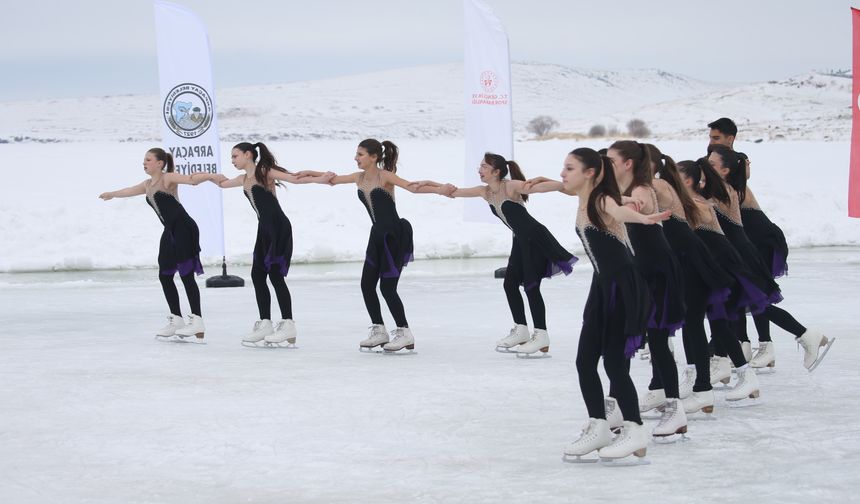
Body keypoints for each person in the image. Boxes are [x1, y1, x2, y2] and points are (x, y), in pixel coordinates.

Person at [525, 148, 668, 462]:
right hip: (602, 285)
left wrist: (642, 217)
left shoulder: (601, 199)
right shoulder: (583, 193)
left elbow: (619, 213)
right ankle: (600, 426)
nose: (564, 173)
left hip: (622, 285)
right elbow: (561, 187)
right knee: (585, 361)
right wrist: (544, 182)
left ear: (589, 172)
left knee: (615, 363)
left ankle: (635, 430)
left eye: (569, 168)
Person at [417, 153, 577, 357]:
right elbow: (453, 192)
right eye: (480, 166)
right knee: (510, 284)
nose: (480, 169)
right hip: (520, 241)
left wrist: (554, 181)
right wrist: (432, 184)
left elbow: (540, 188)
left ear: (496, 171)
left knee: (531, 286)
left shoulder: (510, 186)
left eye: (484, 166)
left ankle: (541, 335)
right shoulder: (484, 192)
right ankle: (521, 330)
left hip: (535, 239)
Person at [707, 120, 834, 371]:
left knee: (754, 297)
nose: (712, 141)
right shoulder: (722, 169)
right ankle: (736, 347)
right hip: (743, 242)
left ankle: (764, 345)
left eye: (717, 138)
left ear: (730, 139)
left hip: (759, 240)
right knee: (742, 298)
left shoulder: (732, 170)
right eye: (710, 137)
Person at [296, 139, 437, 353]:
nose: (356, 158)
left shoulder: (385, 176)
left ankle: (405, 332)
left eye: (360, 154)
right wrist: (311, 173)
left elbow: (413, 188)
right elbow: (332, 180)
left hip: (394, 236)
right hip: (377, 236)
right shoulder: (358, 177)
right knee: (367, 285)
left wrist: (440, 188)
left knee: (388, 288)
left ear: (374, 157)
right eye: (357, 154)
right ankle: (379, 331)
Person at [195, 142, 334, 346]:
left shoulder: (264, 171)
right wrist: (208, 176)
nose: (232, 160)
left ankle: (288, 324)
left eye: (235, 156)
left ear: (248, 154)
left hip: (278, 227)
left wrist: (321, 179)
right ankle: (266, 323)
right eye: (231, 157)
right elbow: (223, 184)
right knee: (257, 275)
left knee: (275, 276)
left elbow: (294, 179)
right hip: (264, 229)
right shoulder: (243, 179)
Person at [640, 144, 733, 422]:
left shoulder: (656, 185)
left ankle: (702, 389)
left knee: (689, 323)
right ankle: (666, 387)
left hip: (689, 260)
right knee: (673, 325)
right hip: (679, 259)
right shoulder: (656, 184)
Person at [606, 141, 687, 437]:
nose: (606, 164)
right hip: (638, 271)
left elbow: (634, 206)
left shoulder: (641, 189)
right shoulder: (618, 188)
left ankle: (675, 408)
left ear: (628, 163)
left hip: (657, 273)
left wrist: (613, 203)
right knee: (623, 336)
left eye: (611, 160)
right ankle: (616, 406)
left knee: (657, 340)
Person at [676, 157, 768, 407]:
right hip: (705, 267)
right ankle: (728, 377)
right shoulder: (687, 203)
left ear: (687, 181)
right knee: (713, 323)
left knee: (702, 322)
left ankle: (704, 383)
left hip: (718, 266)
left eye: (674, 177)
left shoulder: (696, 204)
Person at [99, 148, 206, 340]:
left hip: (184, 228)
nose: (144, 163)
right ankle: (177, 319)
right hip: (170, 231)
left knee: (186, 274)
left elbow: (191, 180)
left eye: (148, 159)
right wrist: (112, 194)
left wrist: (211, 176)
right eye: (144, 160)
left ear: (159, 163)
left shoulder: (168, 179)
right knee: (165, 275)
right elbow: (129, 190)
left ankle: (197, 321)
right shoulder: (148, 184)